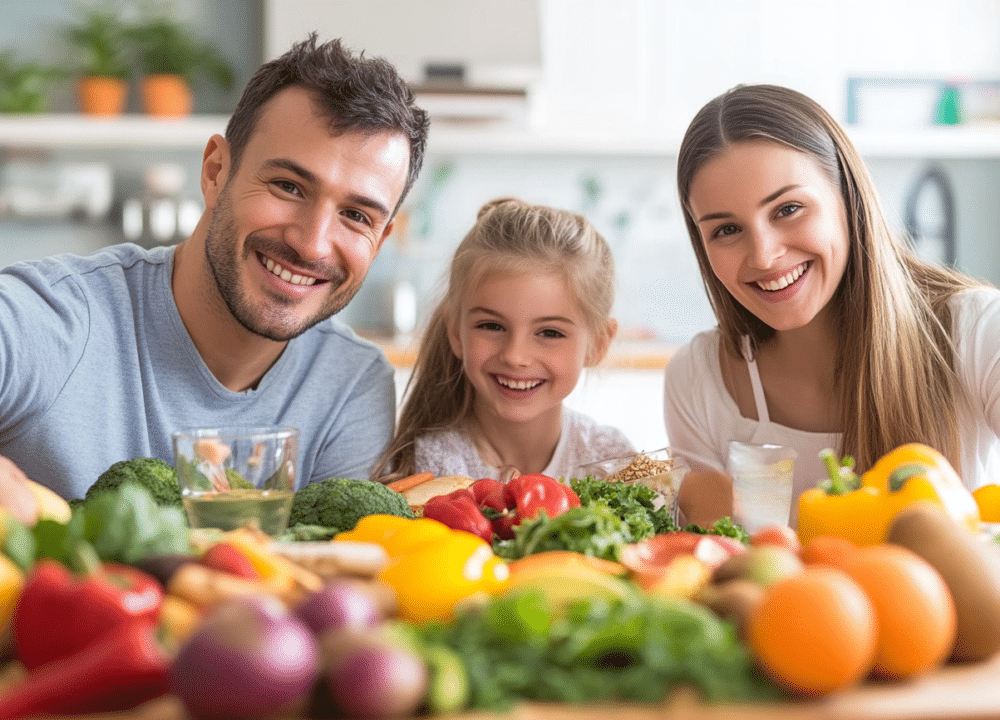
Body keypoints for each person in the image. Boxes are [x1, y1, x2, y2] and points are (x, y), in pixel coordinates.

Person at [0, 33, 430, 522]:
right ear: (216, 171)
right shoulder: (60, 320)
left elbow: (328, 588)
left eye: (357, 216)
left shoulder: (350, 384)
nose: (313, 244)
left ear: (379, 242)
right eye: (288, 186)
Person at [664, 83, 1000, 528]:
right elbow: (711, 569)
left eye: (788, 209)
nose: (764, 256)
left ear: (848, 199)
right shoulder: (698, 379)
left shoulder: (977, 330)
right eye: (726, 230)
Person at [376, 197, 637, 483]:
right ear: (455, 332)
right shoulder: (432, 467)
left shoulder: (613, 459)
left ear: (598, 344)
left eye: (550, 333)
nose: (515, 355)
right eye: (491, 326)